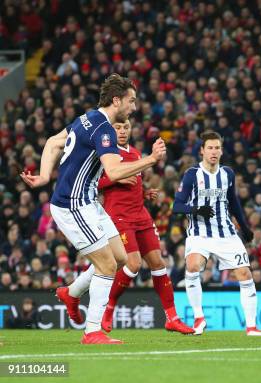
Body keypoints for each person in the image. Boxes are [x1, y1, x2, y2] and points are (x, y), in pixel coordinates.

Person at [20, 73, 167, 344]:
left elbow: (53, 141)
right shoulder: (104, 129)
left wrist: (43, 176)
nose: (134, 108)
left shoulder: (86, 117)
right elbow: (113, 170)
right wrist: (151, 159)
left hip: (88, 203)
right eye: (131, 101)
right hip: (72, 205)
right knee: (108, 265)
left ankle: (71, 293)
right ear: (116, 100)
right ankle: (93, 331)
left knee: (122, 259)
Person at [98, 120, 193, 334]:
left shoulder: (135, 153)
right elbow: (94, 184)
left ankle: (172, 317)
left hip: (140, 214)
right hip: (119, 216)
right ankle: (108, 310)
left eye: (125, 127)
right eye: (117, 128)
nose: (122, 131)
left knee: (158, 264)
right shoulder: (104, 154)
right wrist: (117, 179)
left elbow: (135, 181)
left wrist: (144, 193)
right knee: (132, 264)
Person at [173, 131, 261, 336]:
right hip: (199, 234)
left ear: (222, 150)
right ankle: (199, 318)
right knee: (192, 266)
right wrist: (197, 210)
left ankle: (251, 327)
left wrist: (244, 227)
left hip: (226, 233)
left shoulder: (228, 174)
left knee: (245, 275)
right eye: (210, 148)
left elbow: (234, 203)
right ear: (202, 151)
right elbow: (177, 206)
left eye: (217, 147)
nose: (214, 151)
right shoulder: (192, 174)